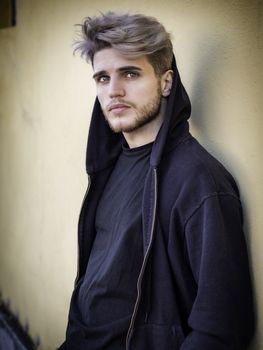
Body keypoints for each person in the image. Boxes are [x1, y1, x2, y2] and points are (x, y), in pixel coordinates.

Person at [58, 12, 255, 350]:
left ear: (166, 82)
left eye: (130, 73)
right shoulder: (111, 164)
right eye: (102, 78)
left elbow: (222, 326)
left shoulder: (200, 182)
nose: (113, 91)